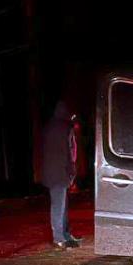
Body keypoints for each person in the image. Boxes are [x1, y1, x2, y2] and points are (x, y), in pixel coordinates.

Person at [41, 101, 81, 249]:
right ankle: (59, 237)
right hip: (61, 171)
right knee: (60, 205)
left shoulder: (48, 126)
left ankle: (64, 234)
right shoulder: (66, 128)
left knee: (59, 204)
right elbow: (71, 152)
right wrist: (72, 172)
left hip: (50, 172)